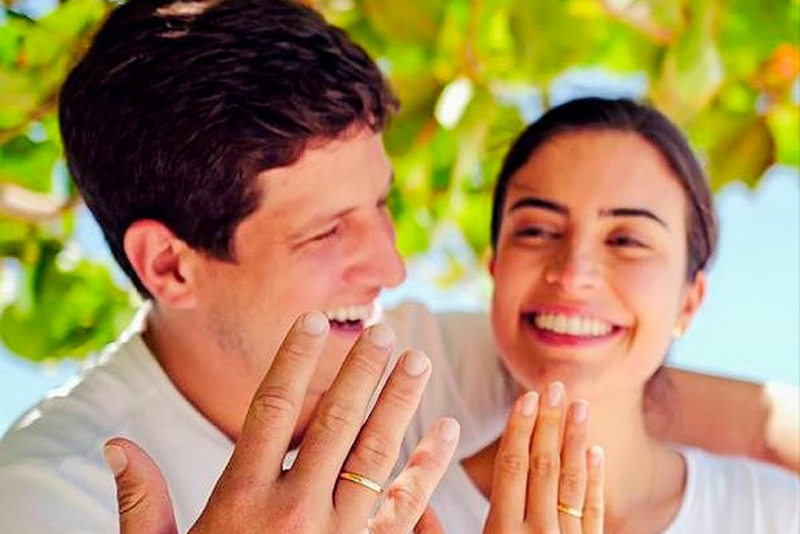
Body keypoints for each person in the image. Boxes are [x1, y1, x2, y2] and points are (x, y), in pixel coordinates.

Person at [0, 0, 795, 531]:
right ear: (169, 266)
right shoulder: (52, 496)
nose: (392, 265)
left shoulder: (415, 355)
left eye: (380, 205)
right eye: (326, 233)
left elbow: (715, 408)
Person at [448, 97, 798, 533]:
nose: (574, 274)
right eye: (537, 231)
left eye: (627, 240)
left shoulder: (775, 515)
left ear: (689, 301)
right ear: (495, 268)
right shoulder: (403, 513)